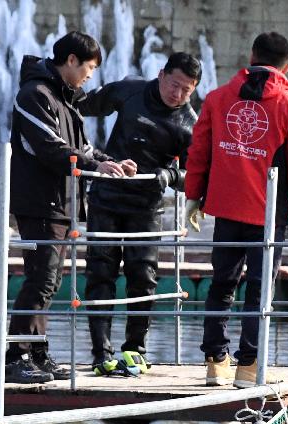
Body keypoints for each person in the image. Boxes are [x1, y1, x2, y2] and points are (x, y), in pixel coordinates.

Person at [184, 31, 288, 388]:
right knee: (259, 290)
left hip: (225, 209)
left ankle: (215, 362)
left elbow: (199, 153)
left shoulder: (217, 98)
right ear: (286, 66)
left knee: (222, 284)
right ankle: (249, 366)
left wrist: (193, 197)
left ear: (251, 56)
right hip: (268, 215)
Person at [6, 31, 137, 384]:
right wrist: (97, 167)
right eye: (90, 67)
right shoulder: (34, 94)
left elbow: (84, 148)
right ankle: (15, 355)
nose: (91, 76)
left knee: (49, 280)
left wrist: (112, 162)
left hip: (61, 203)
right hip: (39, 202)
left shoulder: (66, 100)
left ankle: (36, 351)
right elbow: (50, 147)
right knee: (42, 278)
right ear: (71, 61)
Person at [78, 53, 202, 375]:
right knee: (100, 273)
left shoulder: (189, 124)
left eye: (186, 90)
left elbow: (196, 175)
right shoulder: (130, 90)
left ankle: (135, 350)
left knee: (143, 279)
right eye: (174, 85)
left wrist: (170, 176)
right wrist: (87, 154)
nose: (177, 94)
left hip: (146, 206)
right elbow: (80, 107)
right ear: (161, 75)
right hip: (106, 196)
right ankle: (100, 353)